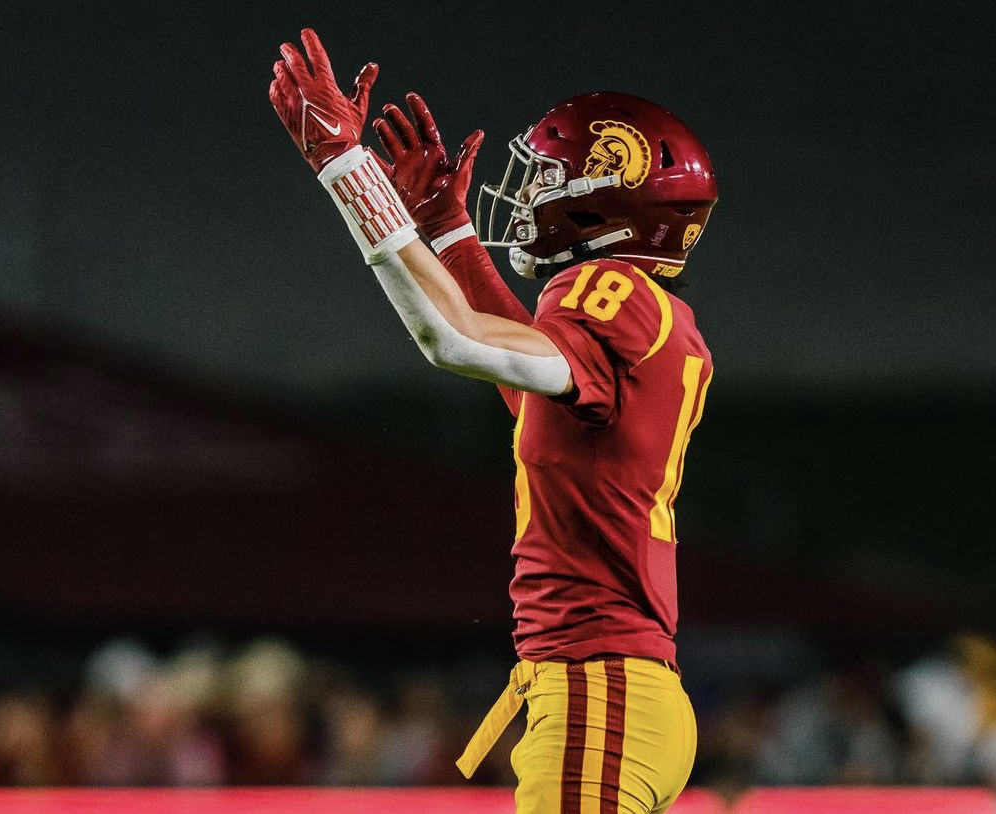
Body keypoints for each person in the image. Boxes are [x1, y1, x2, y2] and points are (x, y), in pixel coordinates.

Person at [268, 28, 718, 813]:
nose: (530, 194)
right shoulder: (653, 321)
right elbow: (528, 395)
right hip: (619, 692)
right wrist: (448, 235)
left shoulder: (605, 290)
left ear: (609, 190)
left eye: (550, 178)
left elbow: (456, 339)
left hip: (597, 692)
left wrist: (348, 170)